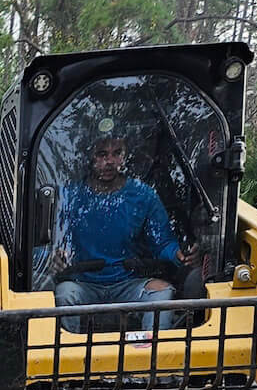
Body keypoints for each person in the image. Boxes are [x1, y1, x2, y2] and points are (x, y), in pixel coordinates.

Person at [50, 132, 188, 332]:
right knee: (64, 295)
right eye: (102, 154)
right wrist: (55, 256)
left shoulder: (143, 195)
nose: (109, 161)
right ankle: (68, 358)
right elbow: (51, 241)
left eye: (116, 153)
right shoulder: (70, 196)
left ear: (125, 156)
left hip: (128, 282)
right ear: (90, 157)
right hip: (82, 283)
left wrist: (178, 254)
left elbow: (162, 242)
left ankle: (153, 358)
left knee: (162, 293)